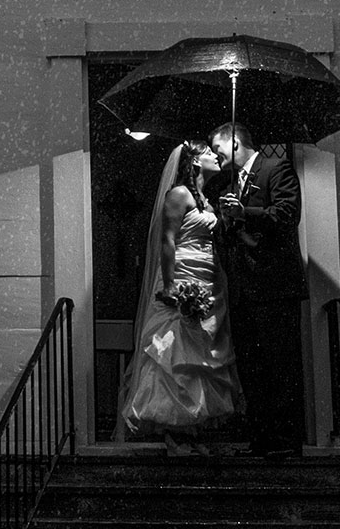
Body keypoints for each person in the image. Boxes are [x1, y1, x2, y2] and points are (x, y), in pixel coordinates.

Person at [114, 141, 243, 448]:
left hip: (207, 280)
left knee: (200, 355)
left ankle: (192, 427)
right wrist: (172, 286)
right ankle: (171, 428)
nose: (215, 155)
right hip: (183, 277)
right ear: (194, 162)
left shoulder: (207, 201)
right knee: (175, 351)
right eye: (209, 153)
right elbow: (168, 240)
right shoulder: (179, 194)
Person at [210, 121, 308, 457]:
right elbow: (229, 236)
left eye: (218, 147)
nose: (215, 154)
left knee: (279, 365)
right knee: (251, 367)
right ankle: (261, 438)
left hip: (273, 285)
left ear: (235, 142)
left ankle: (285, 442)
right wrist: (225, 220)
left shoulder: (275, 168)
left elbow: (286, 215)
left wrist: (245, 212)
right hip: (242, 289)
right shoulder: (230, 183)